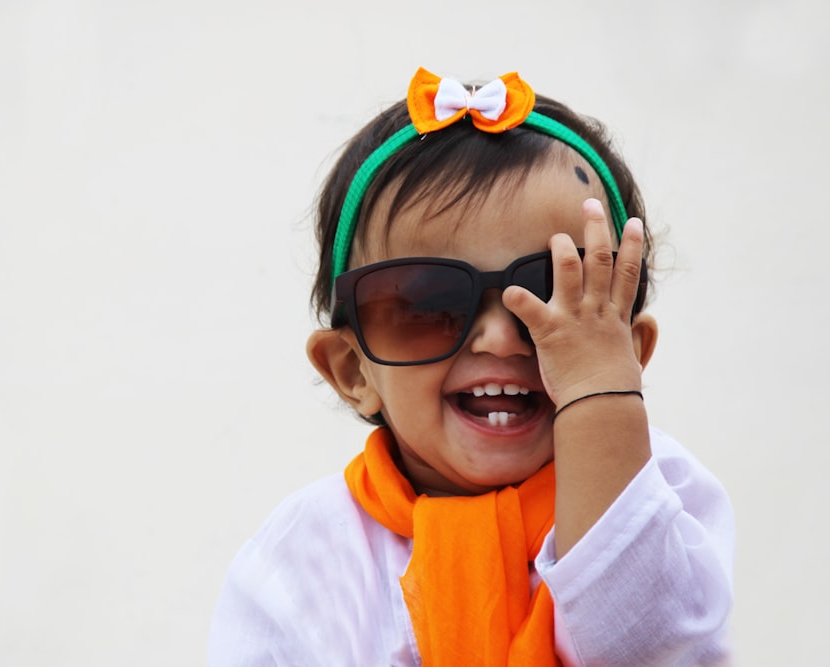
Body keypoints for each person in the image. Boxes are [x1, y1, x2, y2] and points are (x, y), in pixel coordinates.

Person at [207, 67, 735, 666]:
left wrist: (598, 401)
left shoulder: (662, 491)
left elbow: (645, 648)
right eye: (425, 303)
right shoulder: (304, 556)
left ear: (628, 355)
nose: (500, 336)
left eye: (556, 293)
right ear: (353, 372)